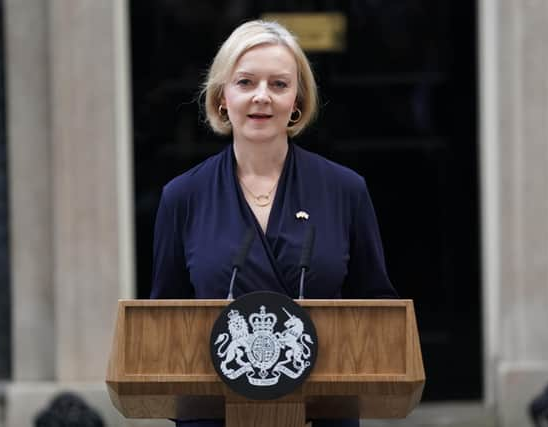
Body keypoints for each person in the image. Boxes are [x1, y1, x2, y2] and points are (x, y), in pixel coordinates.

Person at [150, 20, 398, 427]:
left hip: (322, 414)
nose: (262, 97)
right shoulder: (182, 197)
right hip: (215, 416)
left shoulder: (345, 190)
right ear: (222, 98)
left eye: (279, 85)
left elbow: (377, 311)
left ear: (297, 100)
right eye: (246, 82)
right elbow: (164, 325)